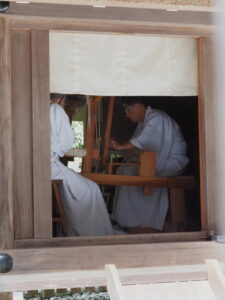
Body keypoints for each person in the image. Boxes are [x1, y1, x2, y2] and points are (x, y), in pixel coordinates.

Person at [110, 98, 189, 232]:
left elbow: (143, 141)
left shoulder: (157, 117)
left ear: (139, 107)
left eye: (128, 110)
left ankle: (142, 222)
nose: (126, 114)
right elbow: (137, 145)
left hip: (172, 162)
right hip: (161, 159)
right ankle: (126, 219)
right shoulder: (144, 121)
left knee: (132, 173)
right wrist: (119, 148)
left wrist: (120, 147)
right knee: (124, 169)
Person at [50, 93, 113, 236]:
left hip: (46, 164)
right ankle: (91, 233)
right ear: (62, 99)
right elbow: (66, 142)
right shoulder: (56, 109)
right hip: (50, 166)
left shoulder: (43, 108)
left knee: (86, 188)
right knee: (92, 189)